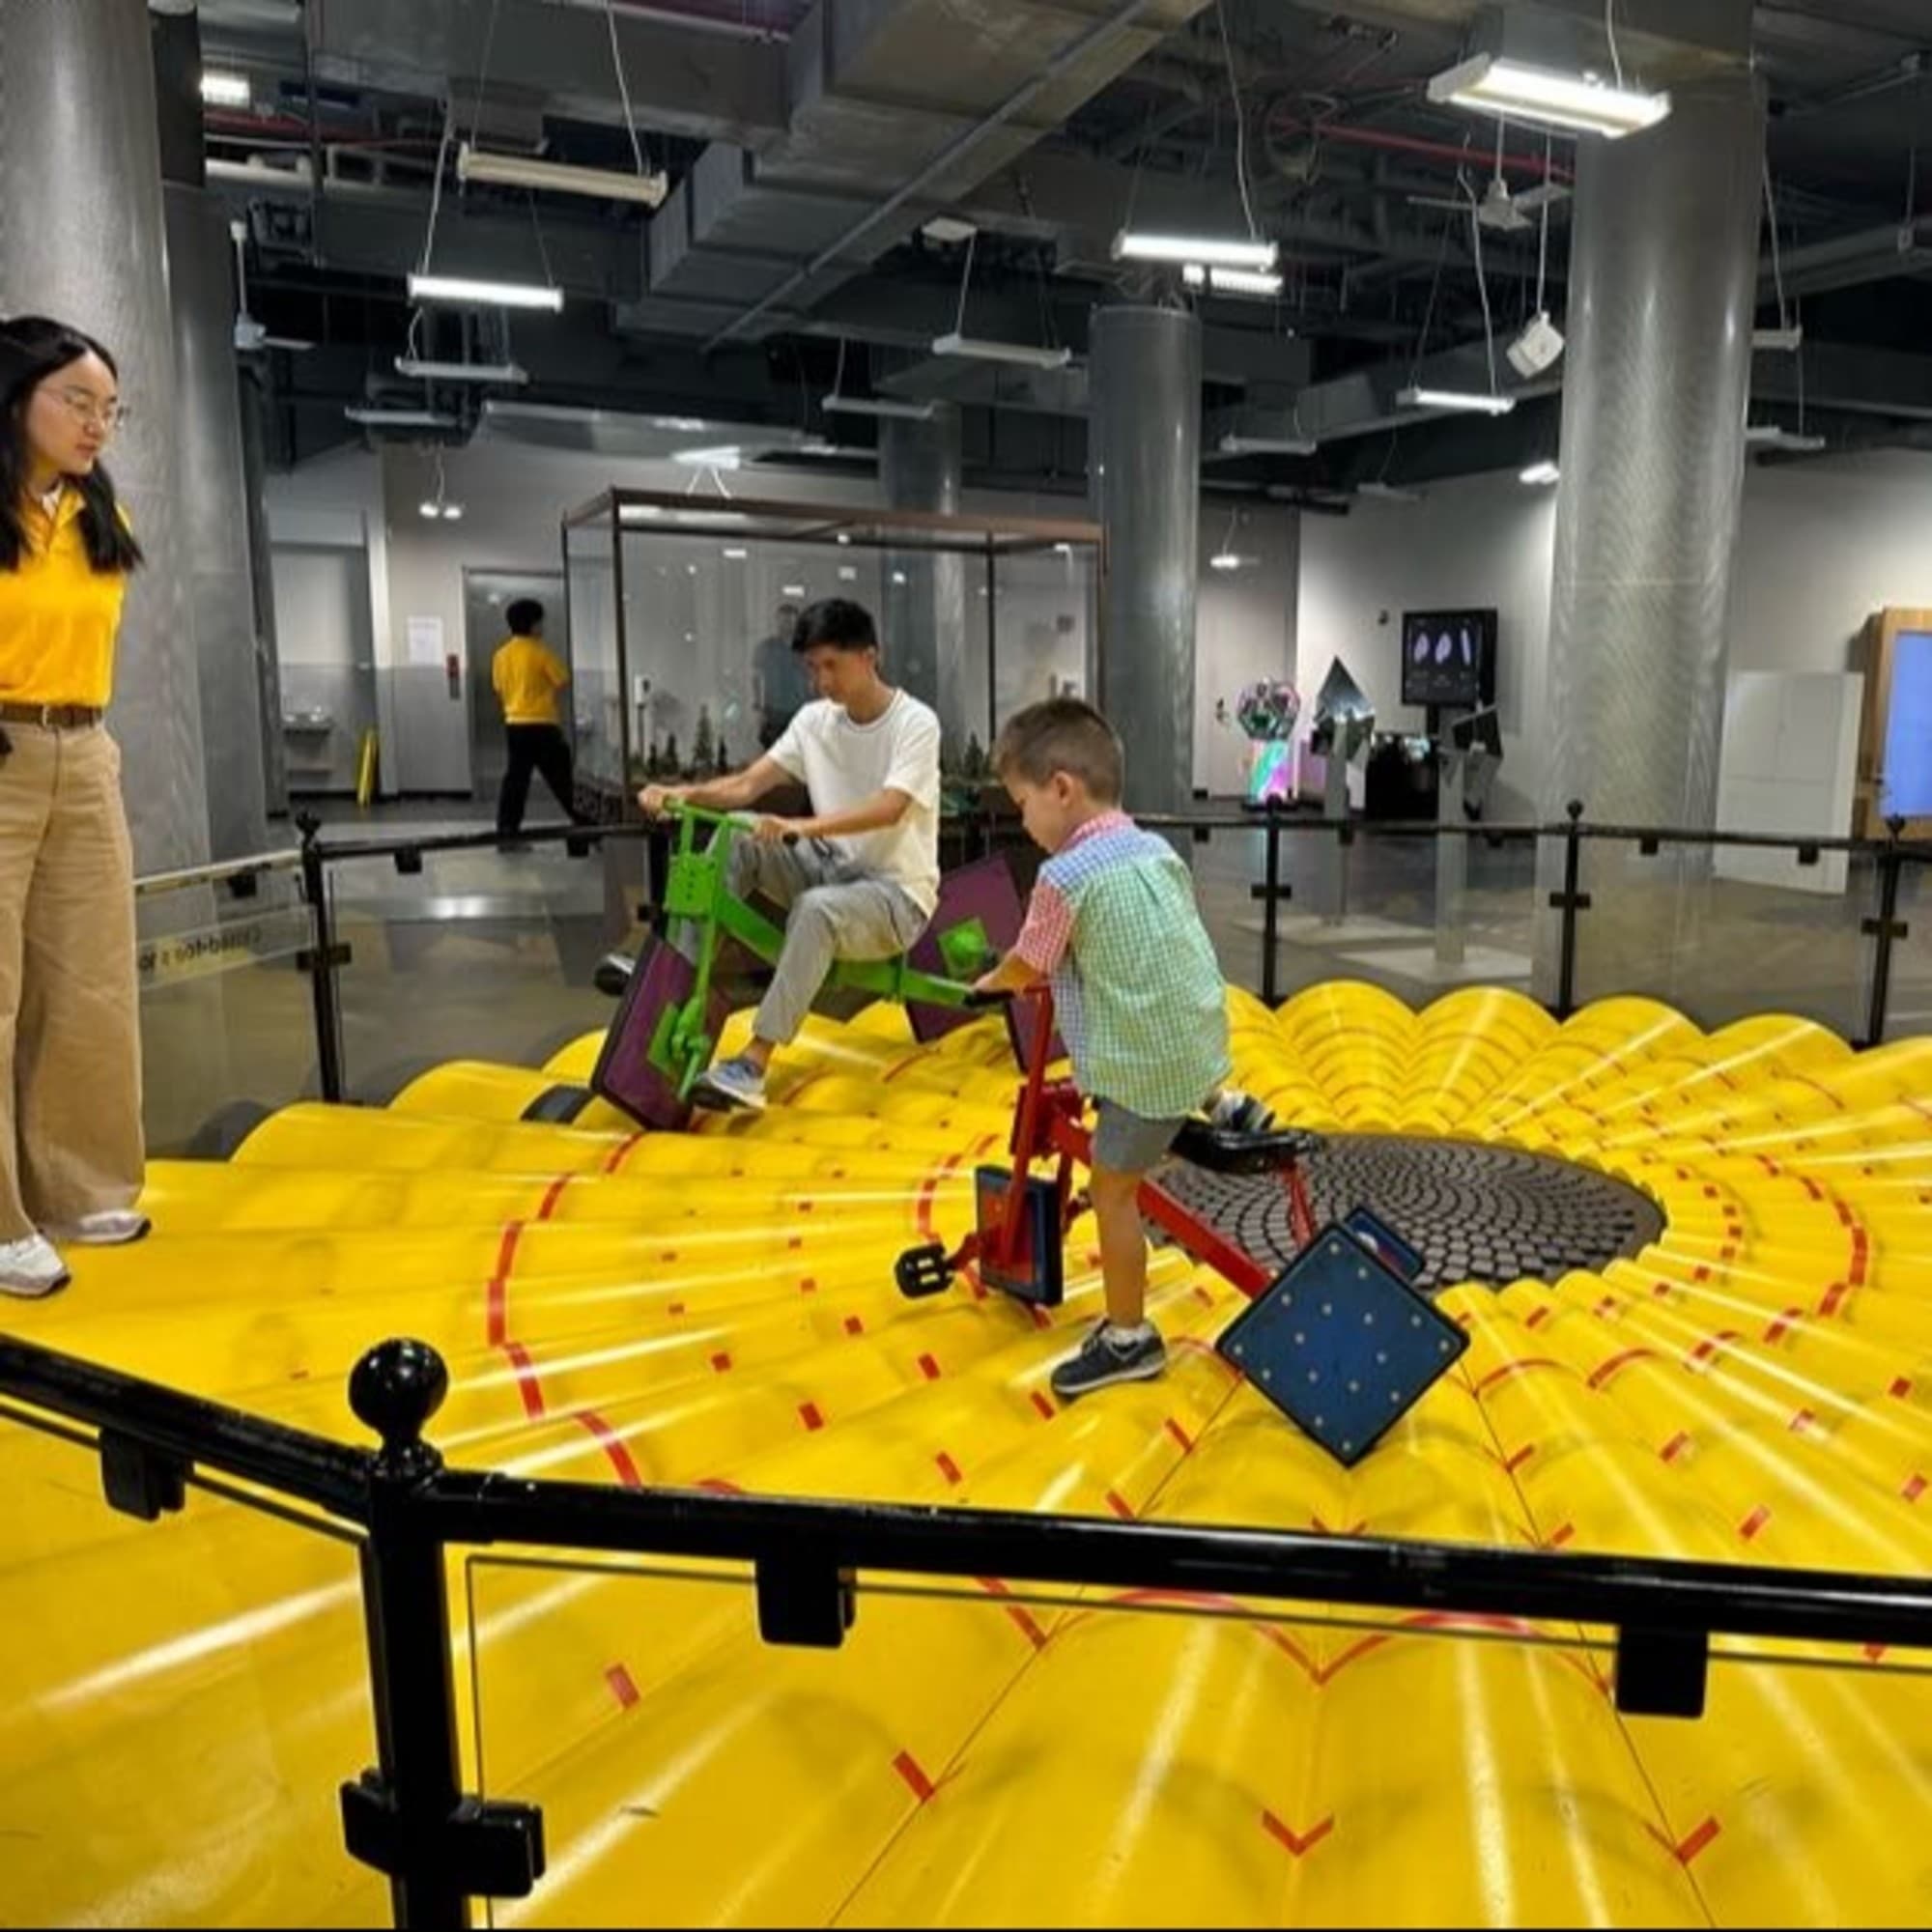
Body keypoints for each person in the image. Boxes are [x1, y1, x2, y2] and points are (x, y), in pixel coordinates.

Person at [974, 697, 1243, 1400]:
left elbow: (1027, 967)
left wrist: (989, 983)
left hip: (1144, 1075)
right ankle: (1225, 1101)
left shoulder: (1062, 879)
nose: (1024, 822)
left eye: (1023, 803)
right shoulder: (1156, 851)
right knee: (1160, 1011)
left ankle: (1129, 1337)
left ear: (1062, 789)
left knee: (1112, 1190)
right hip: (1204, 1046)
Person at [639, 597, 939, 1113]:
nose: (823, 681)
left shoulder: (915, 723)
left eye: (832, 666)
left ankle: (753, 1062)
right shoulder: (813, 721)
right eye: (812, 667)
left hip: (894, 898)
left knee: (817, 908)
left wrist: (801, 826)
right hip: (827, 869)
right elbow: (748, 785)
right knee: (738, 831)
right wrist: (683, 794)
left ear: (870, 656)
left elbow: (890, 808)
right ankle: (677, 974)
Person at [0, 317, 151, 1297]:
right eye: (77, 402)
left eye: (109, 408)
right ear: (18, 398)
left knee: (90, 979)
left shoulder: (104, 515)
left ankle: (80, 1182)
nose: (97, 424)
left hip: (85, 747)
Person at [491, 598, 579, 841]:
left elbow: (498, 688)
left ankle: (507, 829)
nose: (543, 626)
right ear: (533, 625)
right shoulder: (540, 652)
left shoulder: (501, 655)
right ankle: (587, 826)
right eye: (541, 621)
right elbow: (562, 679)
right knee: (562, 778)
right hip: (542, 725)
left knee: (516, 779)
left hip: (514, 725)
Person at [752, 599, 811, 748]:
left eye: (791, 621)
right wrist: (759, 707)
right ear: (777, 622)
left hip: (800, 710)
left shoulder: (805, 649)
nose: (787, 625)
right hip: (774, 713)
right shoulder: (767, 648)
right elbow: (756, 677)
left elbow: (814, 677)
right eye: (783, 621)